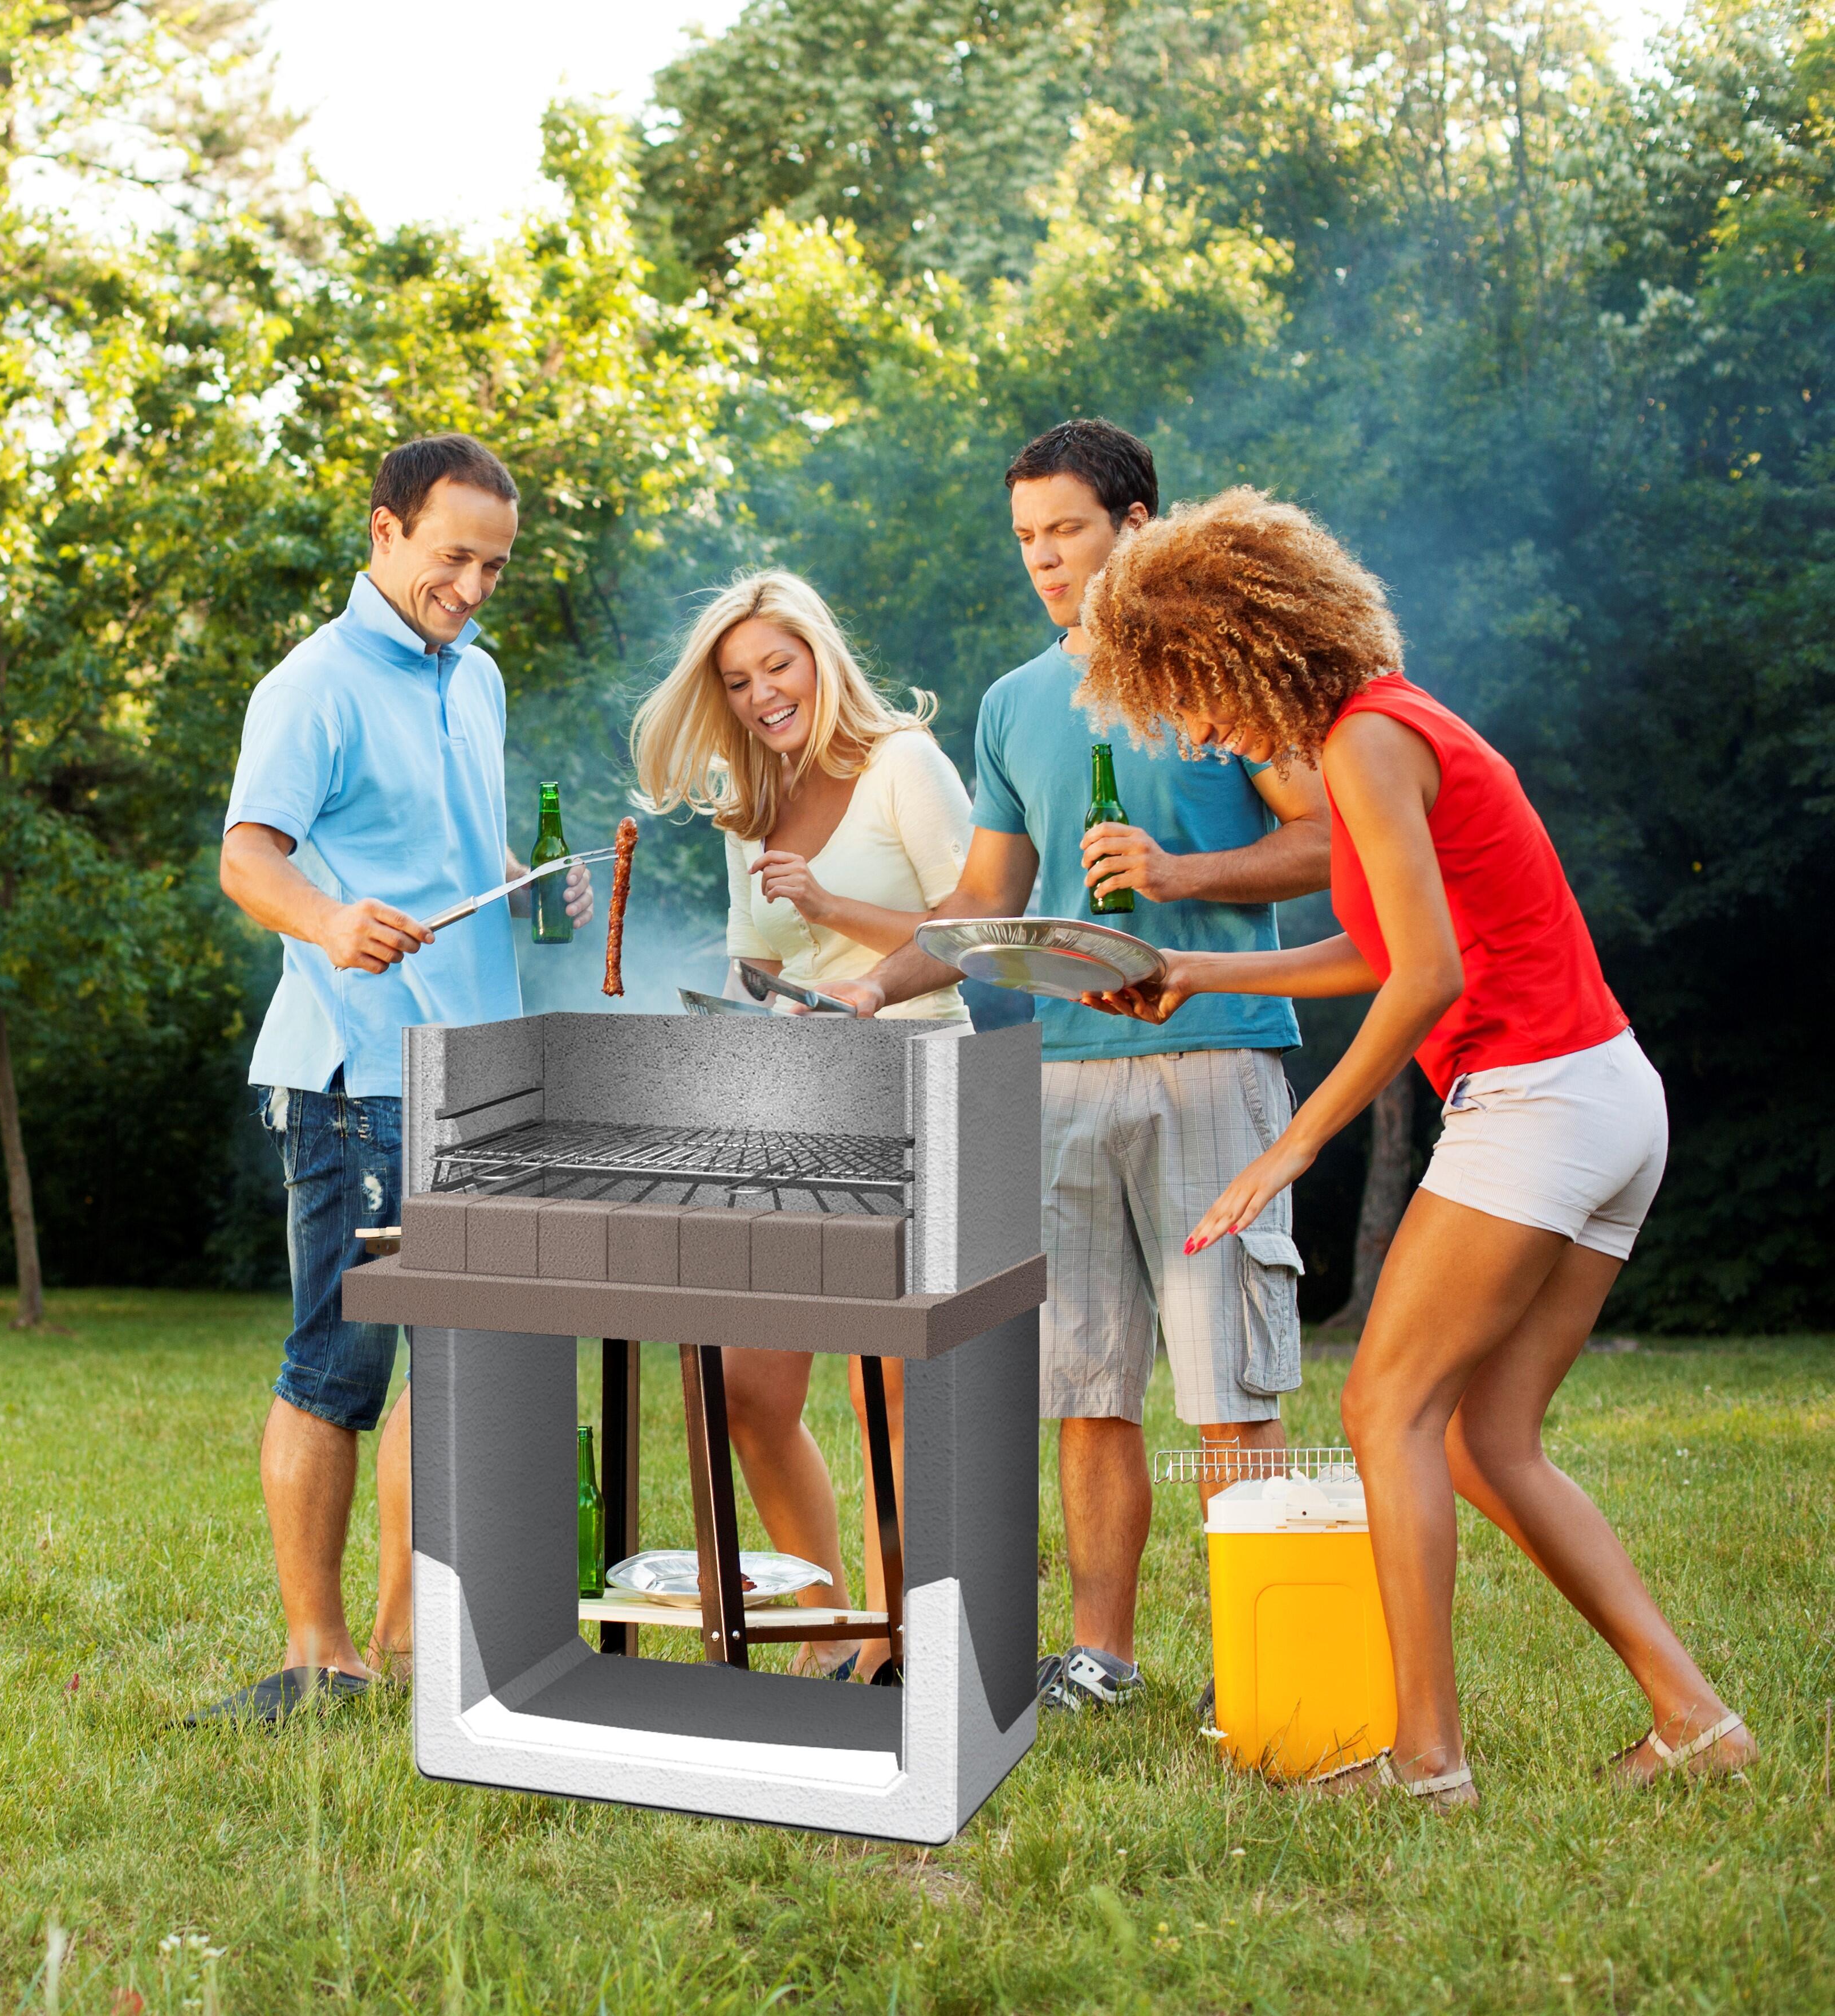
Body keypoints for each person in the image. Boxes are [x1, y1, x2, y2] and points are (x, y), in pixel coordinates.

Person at [1069, 487, 1754, 1807]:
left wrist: (1295, 1144)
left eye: (1188, 694)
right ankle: (1693, 1718)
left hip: (1536, 1099)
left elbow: (1424, 977)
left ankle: (1426, 1763)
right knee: (1481, 1438)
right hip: (1605, 1092)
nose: (1193, 732)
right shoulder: (1387, 728)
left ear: (1241, 644)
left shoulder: (1367, 739)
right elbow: (1388, 951)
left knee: (1382, 1407)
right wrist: (1189, 971)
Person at [823, 420, 1332, 1715]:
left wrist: (1180, 878)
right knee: (1084, 1385)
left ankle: (1257, 1669)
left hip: (1211, 1056)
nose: (1044, 560)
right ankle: (1098, 1659)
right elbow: (985, 898)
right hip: (1056, 1077)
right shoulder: (1008, 703)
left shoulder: (1225, 665)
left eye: (1066, 531)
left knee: (1226, 1385)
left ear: (1136, 523)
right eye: (1026, 539)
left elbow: (1333, 837)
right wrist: (872, 984)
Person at [201, 431, 592, 1722]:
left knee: (458, 1357)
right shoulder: (309, 685)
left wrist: (542, 892)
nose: (472, 585)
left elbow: (453, 853)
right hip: (353, 1072)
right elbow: (247, 861)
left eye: (491, 564)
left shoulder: (469, 678)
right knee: (338, 1364)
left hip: (472, 1065)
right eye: (450, 558)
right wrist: (323, 921)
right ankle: (319, 1657)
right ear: (381, 534)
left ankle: (412, 1643)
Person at [630, 569, 973, 1679]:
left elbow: (978, 927)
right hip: (797, 1099)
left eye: (777, 664)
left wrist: (835, 918)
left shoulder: (903, 765)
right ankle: (832, 1626)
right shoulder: (750, 801)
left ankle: (899, 1640)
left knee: (895, 1380)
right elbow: (760, 966)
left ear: (821, 657)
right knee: (743, 1382)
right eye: (737, 680)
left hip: (919, 1071)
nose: (762, 691)